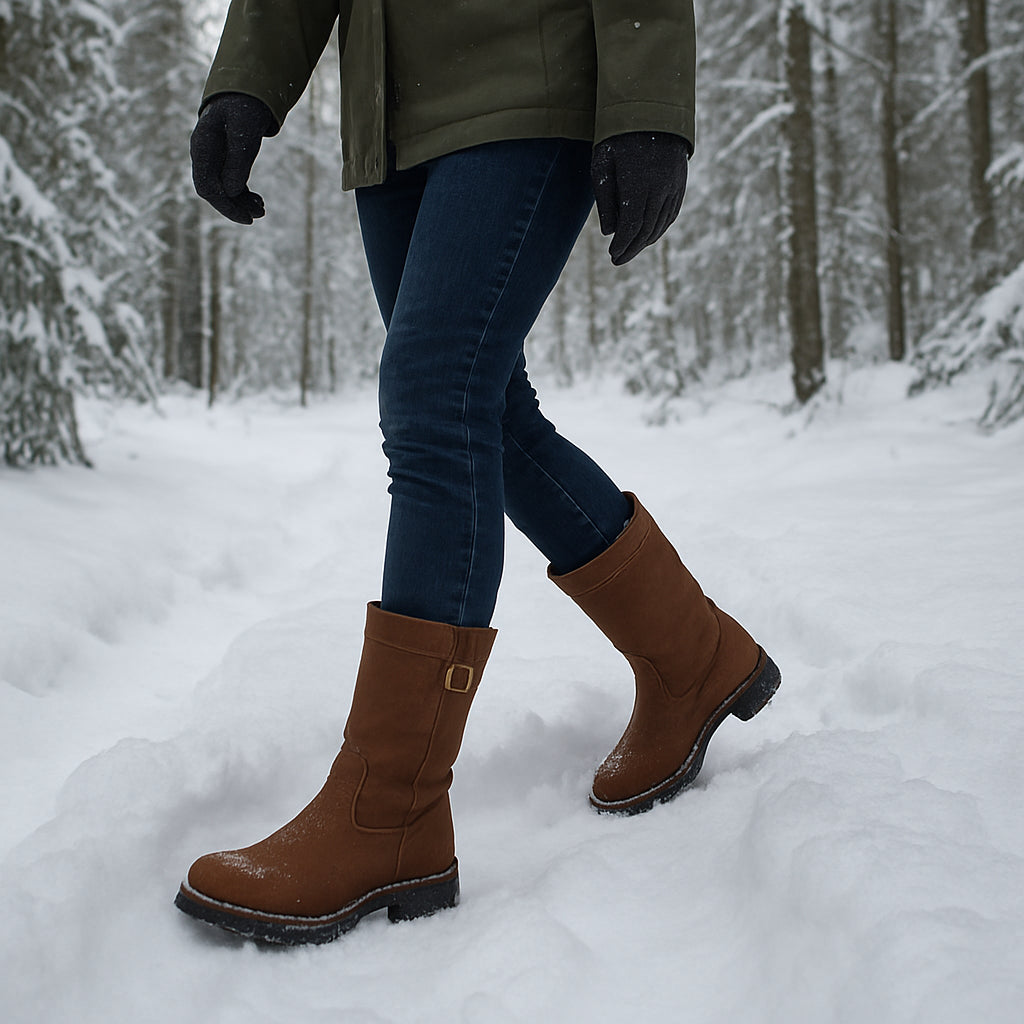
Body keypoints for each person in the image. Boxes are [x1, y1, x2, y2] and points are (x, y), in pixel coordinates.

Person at [175, 0, 780, 946]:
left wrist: (648, 96)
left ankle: (391, 810)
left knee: (433, 400)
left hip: (527, 76)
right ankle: (695, 660)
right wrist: (245, 82)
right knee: (487, 409)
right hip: (388, 114)